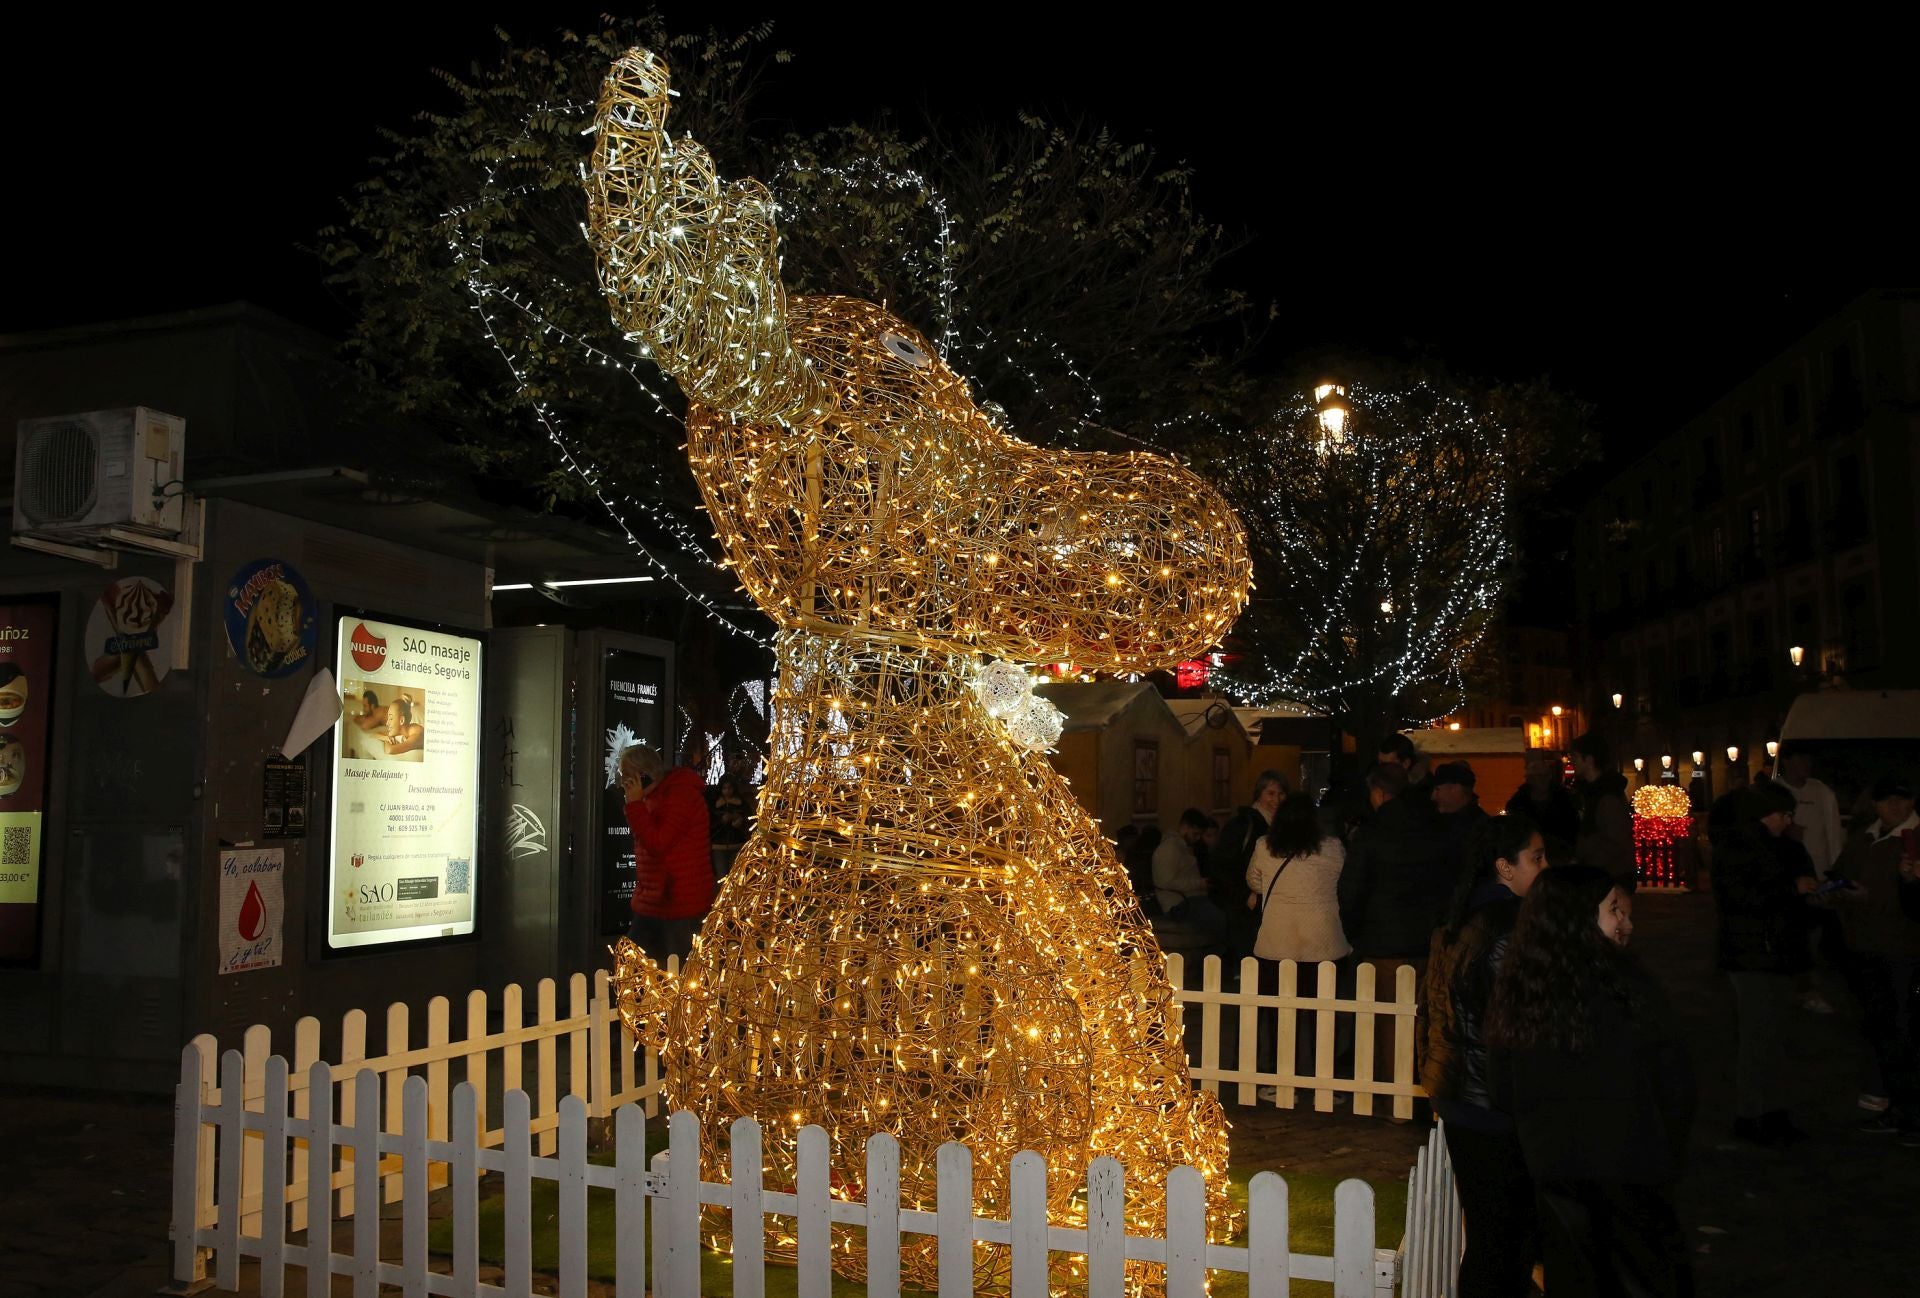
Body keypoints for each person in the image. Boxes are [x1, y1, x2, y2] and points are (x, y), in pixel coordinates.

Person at [1486, 866, 1695, 1298]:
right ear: (1577, 917)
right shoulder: (1626, 987)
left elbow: (1502, 1089)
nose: (1627, 923)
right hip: (1631, 1170)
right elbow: (1673, 1082)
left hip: (1556, 1170)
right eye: (1614, 910)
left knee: (1576, 1278)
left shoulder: (1522, 990)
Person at [1422, 815, 1548, 1297]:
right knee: (1500, 1234)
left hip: (1460, 1090)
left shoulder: (1458, 919)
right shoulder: (1505, 928)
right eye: (1535, 857)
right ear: (1504, 866)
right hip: (1491, 1098)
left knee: (1495, 1227)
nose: (1544, 866)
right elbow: (1515, 1023)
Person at [1708, 784, 1815, 1146]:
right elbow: (1743, 899)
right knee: (1758, 1037)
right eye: (1782, 814)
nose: (1787, 821)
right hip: (1752, 954)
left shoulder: (1782, 847)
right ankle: (1755, 1113)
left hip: (1776, 952)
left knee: (1774, 1036)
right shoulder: (1737, 850)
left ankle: (1770, 1110)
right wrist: (1792, 890)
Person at [1339, 763, 1450, 1082]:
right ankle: (1421, 1086)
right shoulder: (1432, 827)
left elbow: (1351, 888)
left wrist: (1356, 931)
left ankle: (1393, 1096)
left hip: (1383, 941)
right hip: (1426, 939)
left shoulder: (1373, 833)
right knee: (1424, 1019)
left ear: (1378, 792)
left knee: (1388, 1023)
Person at [1828, 774, 1920, 1130]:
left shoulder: (1911, 840)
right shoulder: (1866, 836)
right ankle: (1883, 1093)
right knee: (1876, 1024)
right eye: (1888, 801)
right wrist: (1835, 890)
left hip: (1904, 950)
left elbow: (1909, 901)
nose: (1896, 807)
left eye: (1903, 799)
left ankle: (1906, 1107)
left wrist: (1871, 896)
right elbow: (1841, 872)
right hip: (1864, 945)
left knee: (1903, 1028)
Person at [1246, 790, 1349, 1099]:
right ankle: (1324, 1083)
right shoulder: (1333, 848)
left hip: (1278, 943)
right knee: (1324, 1015)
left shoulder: (1265, 846)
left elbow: (1254, 881)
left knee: (1280, 1014)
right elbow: (1341, 881)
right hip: (1324, 943)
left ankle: (1281, 1081)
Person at [619, 743, 714, 965]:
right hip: (655, 897)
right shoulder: (652, 798)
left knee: (676, 966)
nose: (624, 781)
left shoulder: (681, 797)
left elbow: (658, 843)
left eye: (628, 775)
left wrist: (634, 806)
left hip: (678, 900)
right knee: (635, 964)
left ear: (644, 775)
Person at [1774, 744, 1847, 1012]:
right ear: (1788, 762)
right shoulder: (1776, 792)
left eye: (1809, 758)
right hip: (1788, 880)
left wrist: (1834, 873)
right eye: (1801, 758)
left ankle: (1810, 988)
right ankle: (1798, 987)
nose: (1807, 763)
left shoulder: (1821, 792)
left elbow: (1833, 833)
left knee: (1815, 935)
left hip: (1818, 878)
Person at [1211, 770, 1289, 963]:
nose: (1276, 799)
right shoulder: (1243, 825)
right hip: (1246, 907)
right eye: (1270, 794)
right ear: (1259, 794)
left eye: (1280, 794)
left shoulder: (1283, 826)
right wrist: (1244, 896)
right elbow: (1221, 866)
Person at [1151, 808, 1227, 948]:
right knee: (1221, 922)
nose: (1197, 838)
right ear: (1185, 827)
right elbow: (1164, 881)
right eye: (1195, 833)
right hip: (1180, 903)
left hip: (1189, 900)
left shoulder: (1182, 846)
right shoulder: (1170, 848)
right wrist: (1198, 883)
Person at [1568, 733, 1635, 887]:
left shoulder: (1606, 794)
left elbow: (1614, 841)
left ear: (1589, 759)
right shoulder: (1590, 791)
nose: (1572, 761)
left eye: (1576, 757)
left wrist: (1588, 865)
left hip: (1611, 876)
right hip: (1602, 873)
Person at [1505, 749, 1580, 860]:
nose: (1543, 780)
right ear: (1530, 779)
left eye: (1546, 776)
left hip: (1560, 856)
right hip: (1531, 856)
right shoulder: (1518, 803)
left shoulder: (1563, 799)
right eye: (1538, 776)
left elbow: (1573, 829)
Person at [1431, 761, 1490, 876]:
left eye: (1438, 789)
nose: (1433, 796)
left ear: (1455, 789)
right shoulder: (1479, 823)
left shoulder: (1479, 828)